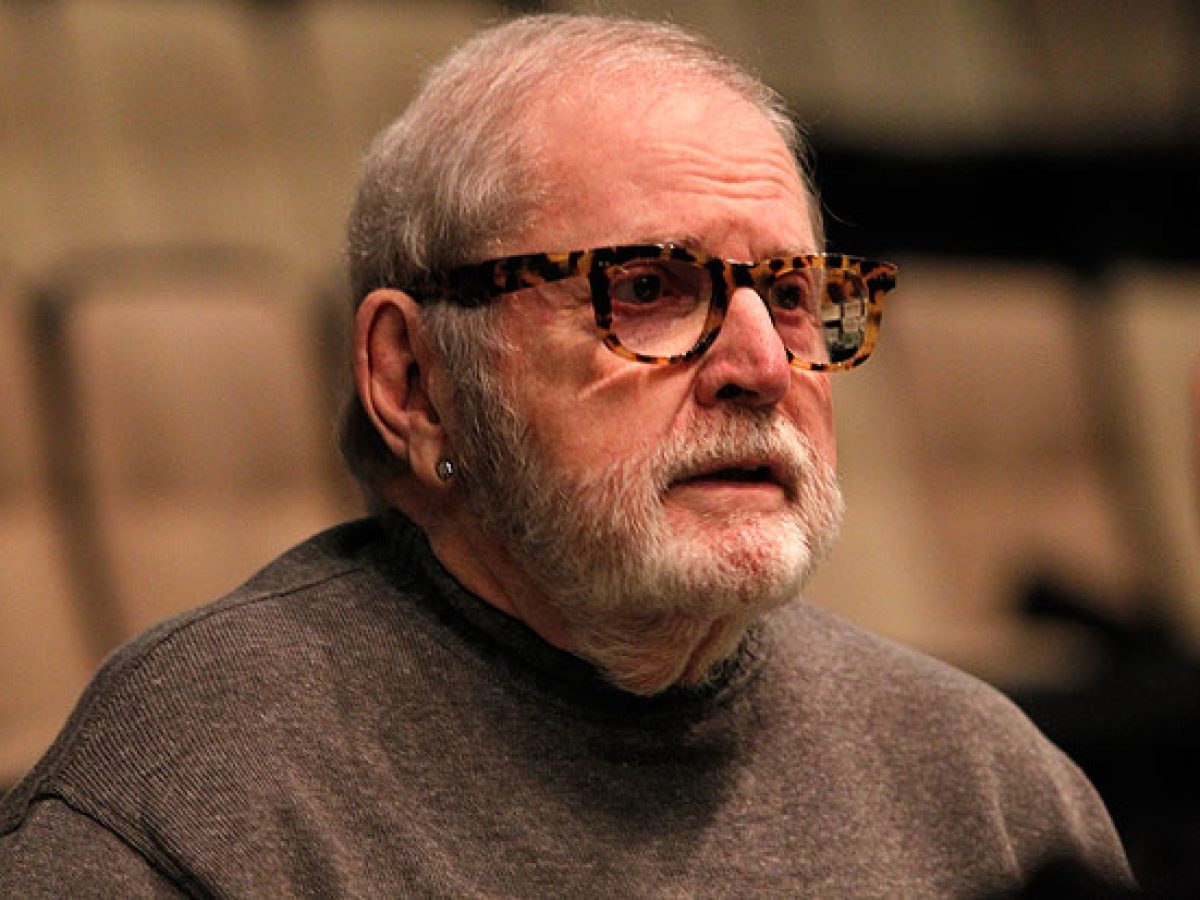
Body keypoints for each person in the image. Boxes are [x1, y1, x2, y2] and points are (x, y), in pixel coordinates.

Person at [0, 13, 1133, 897]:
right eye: (646, 288)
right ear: (414, 382)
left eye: (791, 295)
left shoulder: (987, 786)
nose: (761, 364)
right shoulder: (188, 797)